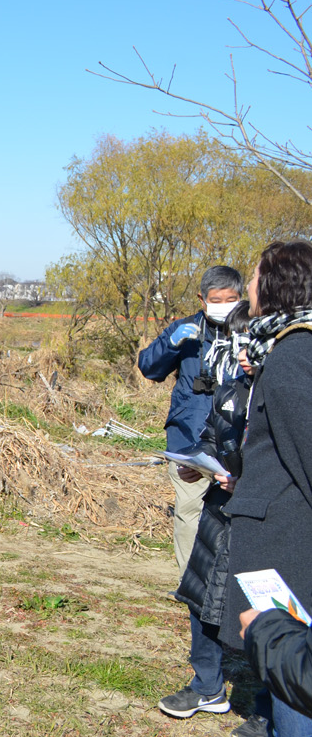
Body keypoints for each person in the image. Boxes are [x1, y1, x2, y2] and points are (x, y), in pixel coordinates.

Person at [158, 303, 272, 735]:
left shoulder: (281, 392)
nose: (242, 353)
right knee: (200, 594)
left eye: (249, 344)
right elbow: (210, 434)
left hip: (260, 515)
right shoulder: (232, 388)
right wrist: (196, 463)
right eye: (235, 344)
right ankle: (207, 686)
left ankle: (268, 708)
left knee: (265, 610)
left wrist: (247, 483)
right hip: (219, 508)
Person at [221, 241, 312, 737]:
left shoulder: (294, 354)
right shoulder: (286, 348)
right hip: (290, 545)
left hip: (292, 555)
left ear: (275, 284)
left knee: (296, 689)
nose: (247, 288)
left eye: (254, 278)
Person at [138, 265, 244, 575]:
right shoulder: (182, 329)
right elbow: (149, 368)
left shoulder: (250, 332)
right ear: (201, 298)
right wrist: (172, 344)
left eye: (231, 299)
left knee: (233, 513)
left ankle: (228, 581)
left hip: (236, 442)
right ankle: (191, 581)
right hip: (188, 439)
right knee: (189, 510)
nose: (223, 305)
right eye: (216, 299)